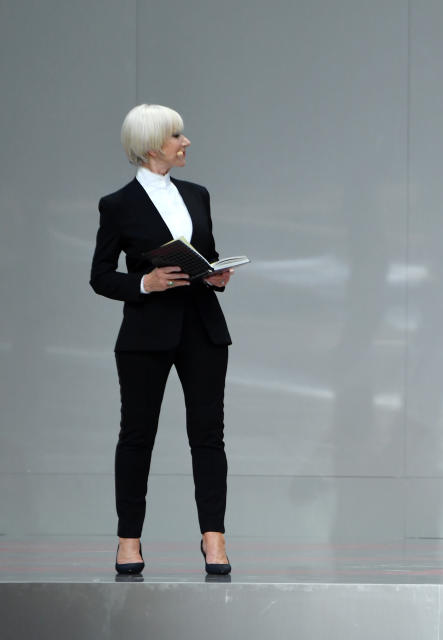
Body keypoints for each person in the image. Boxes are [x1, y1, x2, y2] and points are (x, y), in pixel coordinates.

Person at [91, 104, 235, 575]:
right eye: (177, 135)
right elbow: (100, 276)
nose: (186, 142)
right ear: (153, 146)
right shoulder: (118, 205)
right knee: (137, 437)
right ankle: (128, 539)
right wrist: (143, 284)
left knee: (208, 437)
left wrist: (214, 275)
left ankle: (213, 538)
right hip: (146, 333)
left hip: (201, 326)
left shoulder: (197, 194)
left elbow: (204, 255)